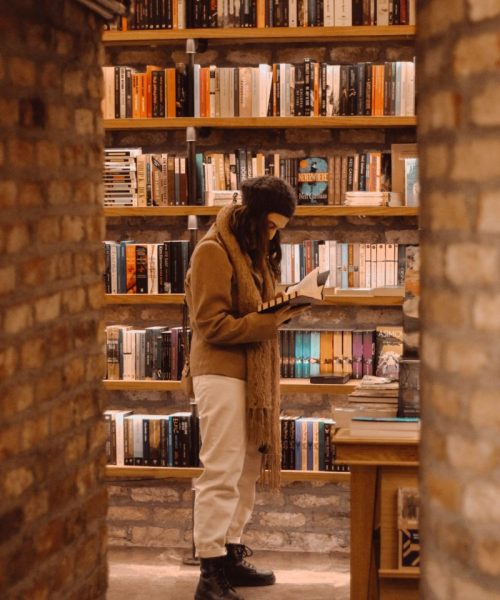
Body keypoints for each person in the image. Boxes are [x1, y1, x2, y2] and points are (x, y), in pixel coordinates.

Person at [185, 176, 306, 600]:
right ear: (252, 216)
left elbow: (251, 313)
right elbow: (211, 324)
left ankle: (230, 554)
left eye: (278, 229)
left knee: (247, 471)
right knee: (220, 471)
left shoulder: (254, 256)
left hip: (250, 377)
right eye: (269, 226)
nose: (272, 235)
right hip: (219, 374)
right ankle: (209, 571)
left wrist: (284, 305)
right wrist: (271, 320)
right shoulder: (213, 252)